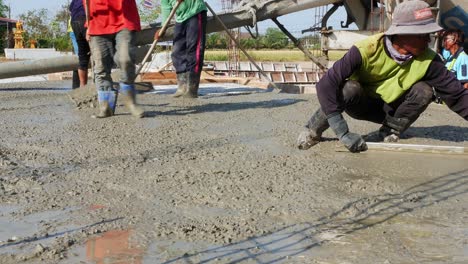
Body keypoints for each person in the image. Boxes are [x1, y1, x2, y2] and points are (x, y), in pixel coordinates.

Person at [297, 0, 468, 153]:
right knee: (348, 88)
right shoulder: (366, 49)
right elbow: (326, 85)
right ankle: (312, 131)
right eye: (421, 35)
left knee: (424, 90)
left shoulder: (430, 60)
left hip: (392, 111)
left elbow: (458, 96)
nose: (427, 41)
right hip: (360, 103)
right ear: (402, 34)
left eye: (429, 35)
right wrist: (342, 132)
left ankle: (389, 132)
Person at [84, 0, 145, 118]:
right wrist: (88, 24)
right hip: (97, 21)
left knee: (125, 59)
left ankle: (130, 100)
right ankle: (106, 106)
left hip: (124, 18)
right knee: (101, 66)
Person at [159, 0, 207, 98]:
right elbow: (166, 8)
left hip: (195, 12)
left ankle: (192, 89)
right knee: (177, 51)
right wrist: (162, 28)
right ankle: (182, 87)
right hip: (180, 19)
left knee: (194, 50)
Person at [70, 0, 91, 88]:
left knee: (82, 56)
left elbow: (71, 8)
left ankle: (82, 88)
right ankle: (101, 86)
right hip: (85, 20)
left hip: (74, 23)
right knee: (98, 54)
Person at [68, 18, 80, 89]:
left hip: (74, 27)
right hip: (77, 27)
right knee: (79, 57)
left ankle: (76, 86)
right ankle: (76, 86)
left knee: (79, 55)